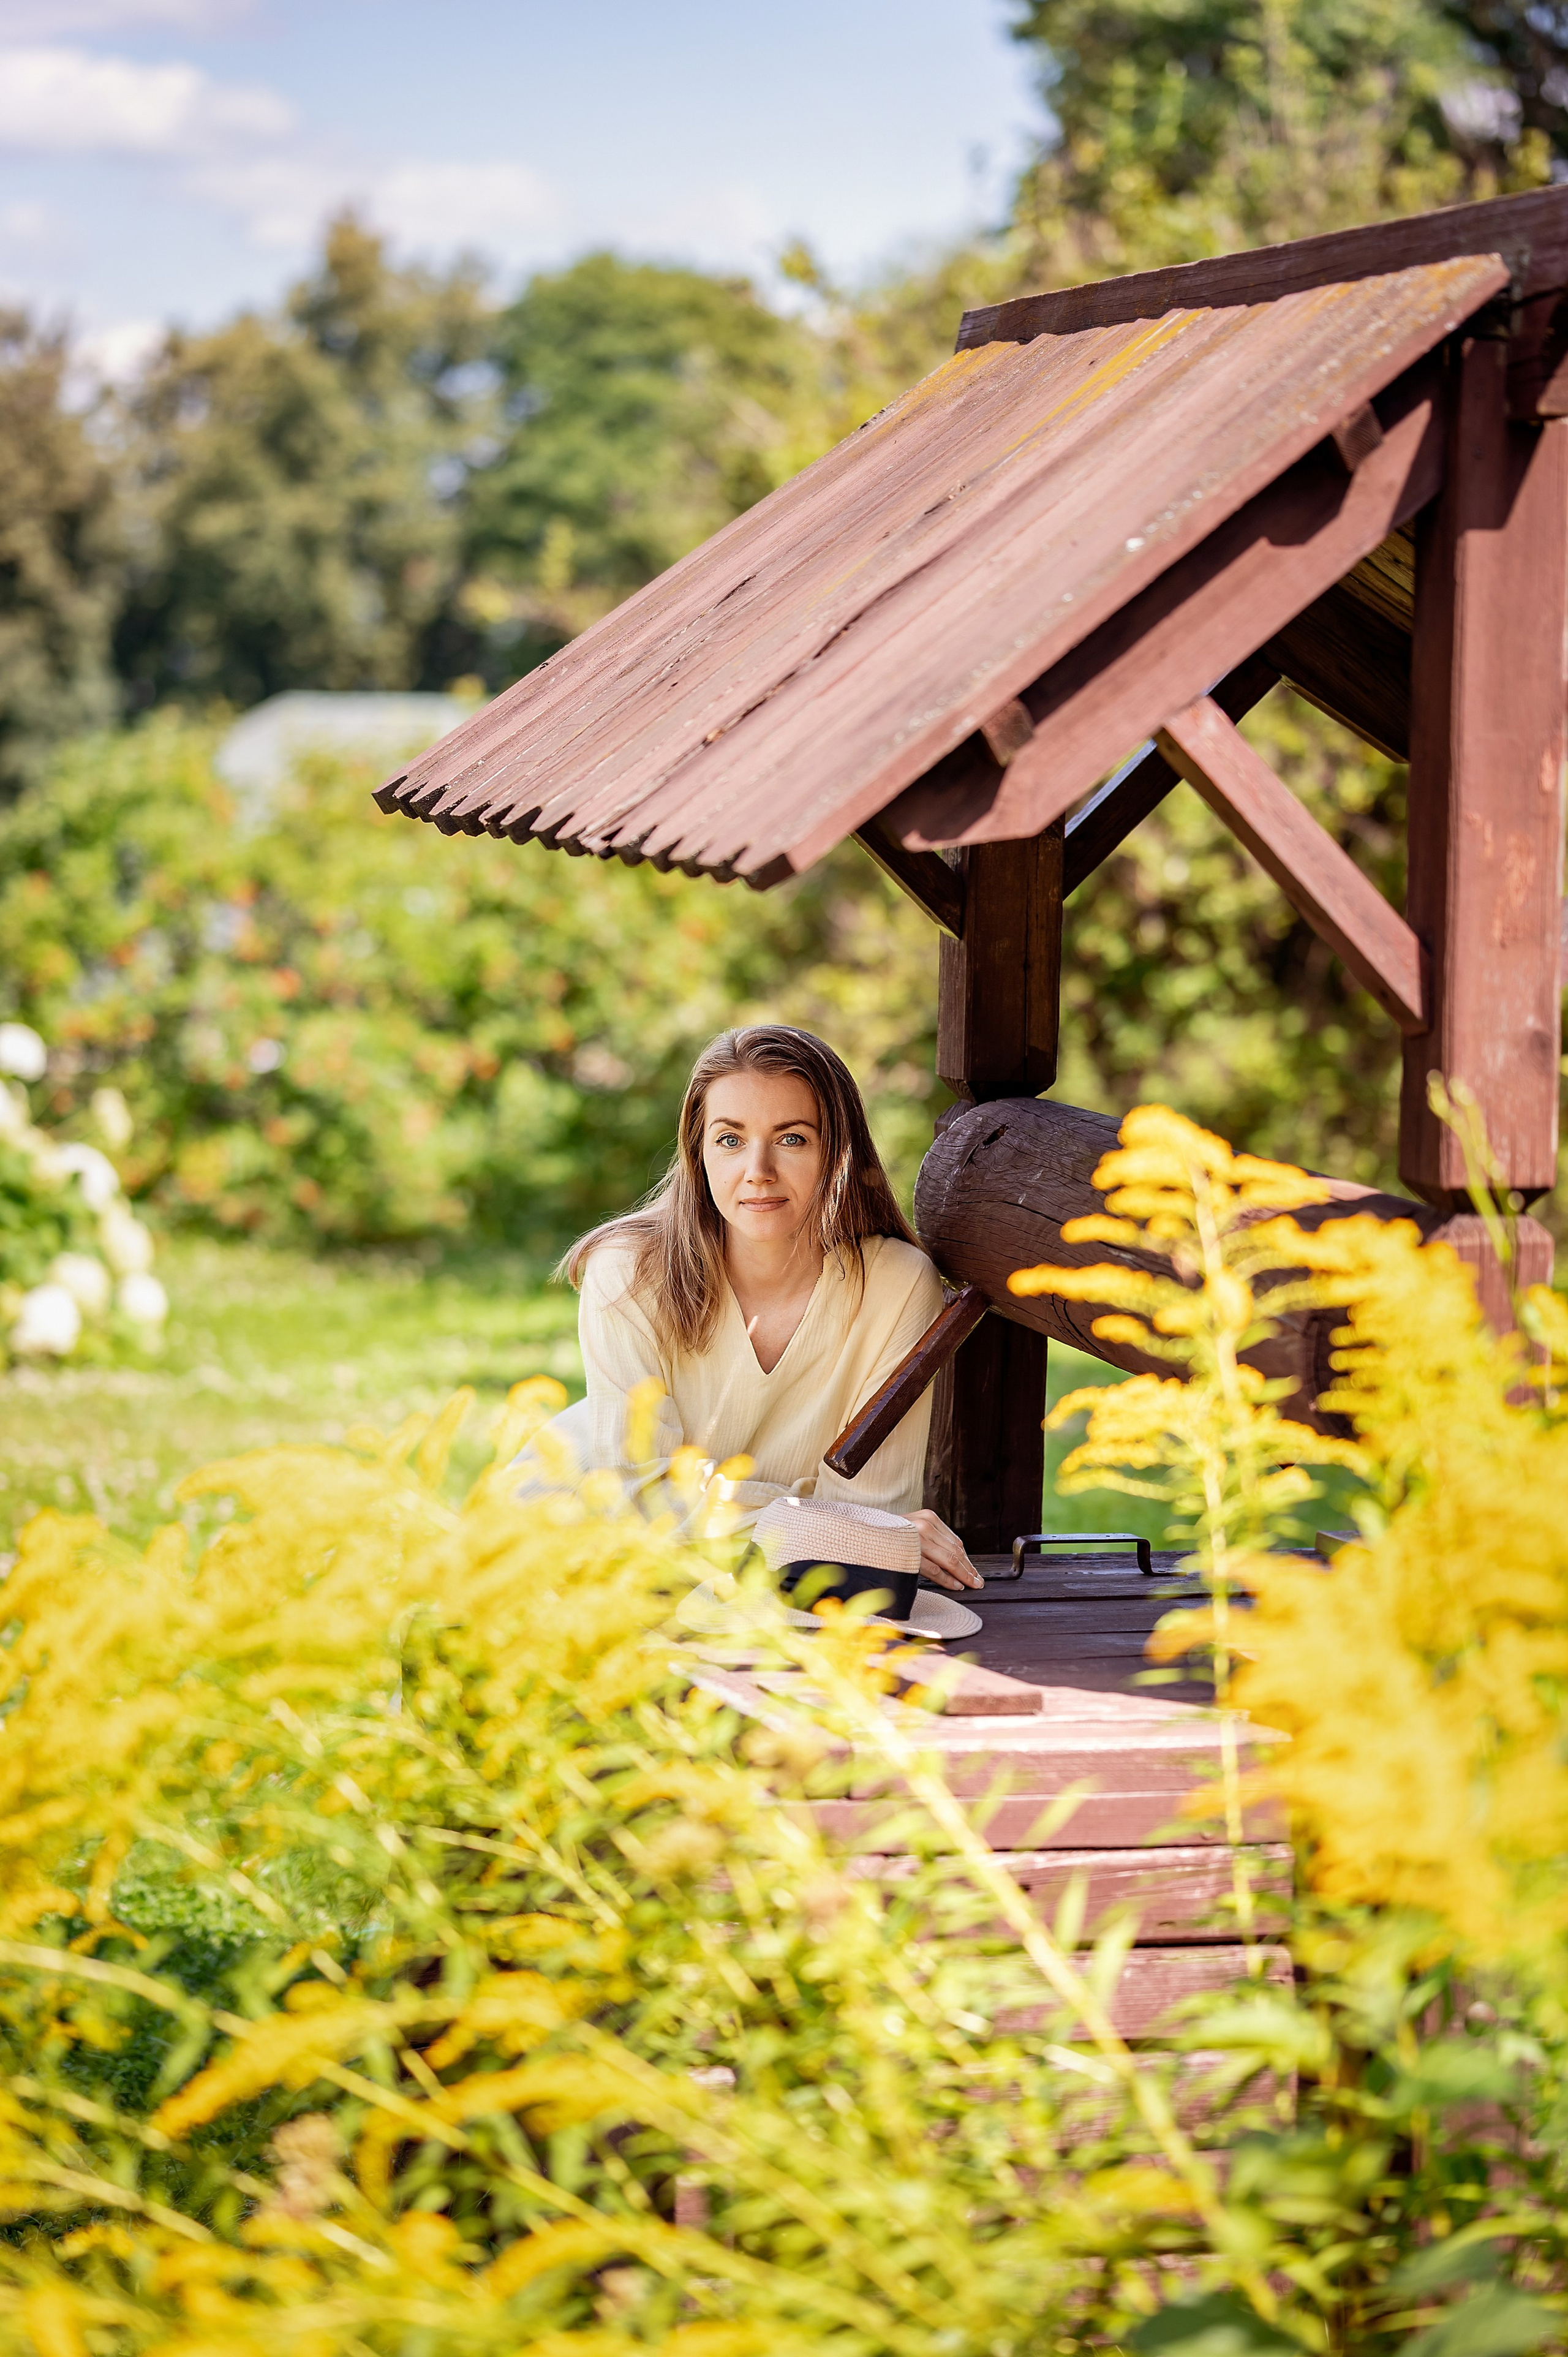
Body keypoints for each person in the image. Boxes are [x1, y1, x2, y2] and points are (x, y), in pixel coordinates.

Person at [554, 1024, 981, 1594]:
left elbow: (872, 1521)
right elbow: (637, 1500)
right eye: (730, 1139)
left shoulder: (897, 1286)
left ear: (838, 1150)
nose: (758, 1169)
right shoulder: (629, 1274)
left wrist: (732, 1507)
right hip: (570, 1557)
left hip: (777, 1597)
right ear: (697, 1151)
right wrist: (820, 1517)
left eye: (793, 1138)